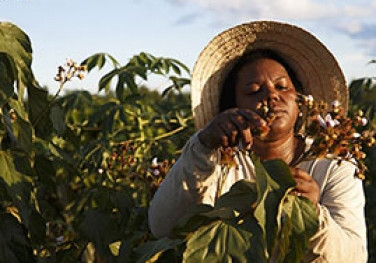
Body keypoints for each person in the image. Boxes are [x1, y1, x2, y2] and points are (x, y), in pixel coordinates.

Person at [148, 21, 367, 262]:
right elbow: (163, 227)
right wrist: (203, 146)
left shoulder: (334, 166)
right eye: (253, 91)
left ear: (300, 101)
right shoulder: (215, 159)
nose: (271, 96)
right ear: (233, 108)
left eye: (282, 87)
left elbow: (354, 256)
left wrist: (313, 214)